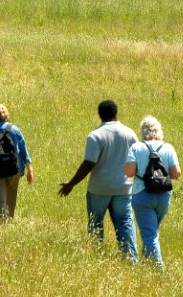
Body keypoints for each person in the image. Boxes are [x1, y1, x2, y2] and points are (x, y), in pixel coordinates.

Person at [58, 100, 138, 260]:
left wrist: (71, 184)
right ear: (116, 113)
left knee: (96, 223)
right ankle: (131, 259)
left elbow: (89, 163)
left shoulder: (95, 135)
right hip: (124, 188)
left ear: (100, 115)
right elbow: (137, 160)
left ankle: (96, 257)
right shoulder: (130, 134)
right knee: (125, 223)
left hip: (99, 189)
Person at [124, 116, 181, 269]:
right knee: (152, 231)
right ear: (159, 131)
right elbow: (176, 174)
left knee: (149, 234)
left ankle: (159, 270)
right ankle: (146, 262)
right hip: (163, 196)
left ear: (143, 131)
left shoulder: (136, 148)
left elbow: (129, 172)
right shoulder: (168, 148)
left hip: (141, 194)